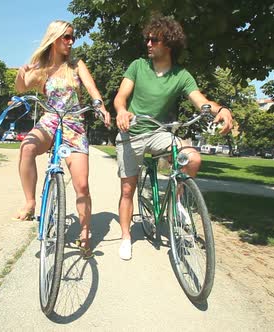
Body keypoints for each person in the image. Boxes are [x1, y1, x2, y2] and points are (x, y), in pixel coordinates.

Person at [113, 15, 233, 260]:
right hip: (132, 133)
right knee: (128, 190)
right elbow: (120, 97)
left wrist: (220, 109)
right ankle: (126, 237)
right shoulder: (137, 65)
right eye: (147, 38)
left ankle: (177, 203)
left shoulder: (181, 75)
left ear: (168, 43)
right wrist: (122, 111)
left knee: (192, 158)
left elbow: (201, 101)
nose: (148, 43)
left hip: (159, 132)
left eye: (154, 39)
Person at [14, 20, 111, 259]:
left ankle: (85, 231)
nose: (70, 41)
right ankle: (29, 202)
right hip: (49, 121)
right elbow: (21, 88)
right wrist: (20, 75)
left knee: (82, 185)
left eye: (72, 37)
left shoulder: (76, 65)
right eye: (66, 37)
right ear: (54, 38)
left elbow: (92, 89)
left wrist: (100, 106)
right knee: (27, 147)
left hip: (74, 126)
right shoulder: (42, 68)